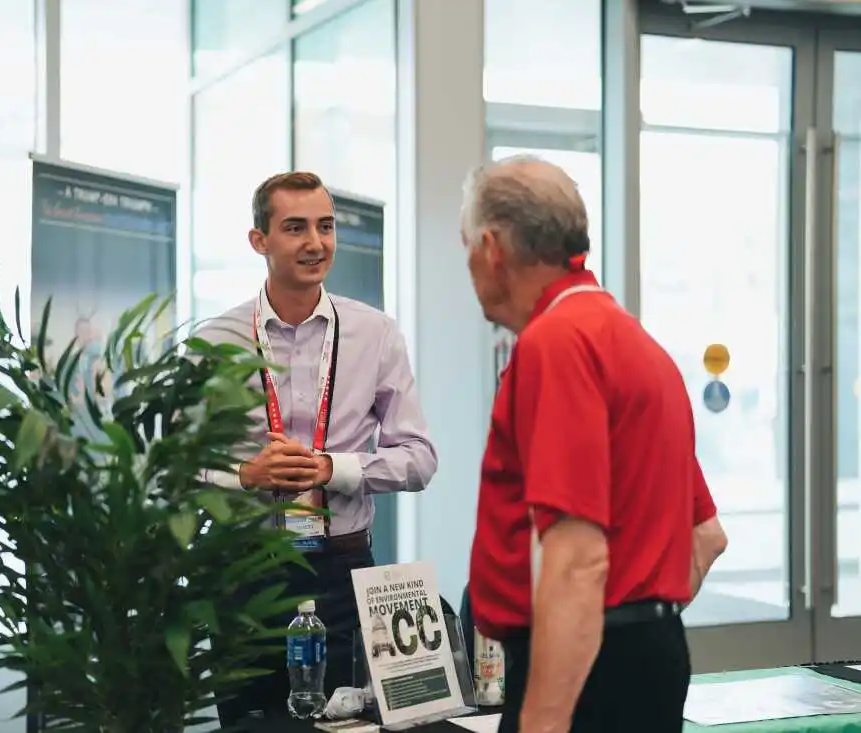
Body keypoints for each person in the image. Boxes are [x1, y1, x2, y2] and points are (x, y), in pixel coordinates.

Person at [461, 156, 728, 733]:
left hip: (584, 670)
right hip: (643, 656)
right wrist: (641, 617)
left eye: (467, 248)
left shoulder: (556, 344)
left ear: (493, 248)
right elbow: (706, 535)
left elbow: (578, 560)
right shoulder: (637, 344)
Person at [195, 171, 437, 727]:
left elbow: (420, 457)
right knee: (249, 725)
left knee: (349, 727)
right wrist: (244, 475)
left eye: (325, 227)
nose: (315, 243)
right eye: (296, 227)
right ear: (260, 241)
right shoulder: (214, 341)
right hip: (245, 572)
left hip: (344, 572)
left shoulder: (375, 334)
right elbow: (178, 469)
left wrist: (335, 468)